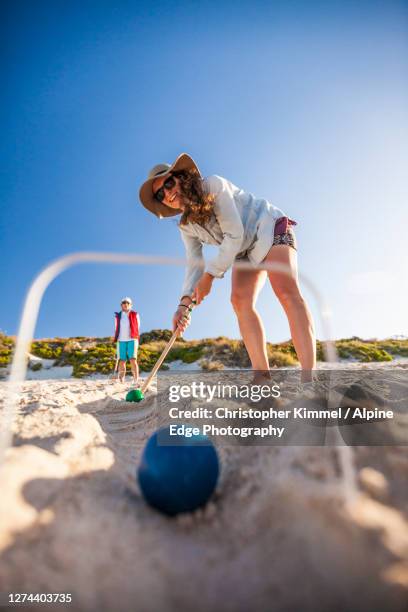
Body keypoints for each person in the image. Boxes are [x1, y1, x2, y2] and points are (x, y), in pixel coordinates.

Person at [139, 153, 316, 383]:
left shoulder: (213, 185)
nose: (168, 193)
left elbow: (234, 234)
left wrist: (211, 276)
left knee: (286, 292)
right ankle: (262, 378)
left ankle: (309, 379)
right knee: (240, 301)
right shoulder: (186, 227)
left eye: (169, 183)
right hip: (243, 251)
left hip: (269, 228)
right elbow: (195, 263)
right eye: (160, 194)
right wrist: (183, 304)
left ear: (181, 177)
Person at [113, 297, 140, 384]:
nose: (125, 304)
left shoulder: (135, 314)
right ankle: (121, 380)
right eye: (124, 303)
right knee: (122, 360)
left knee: (133, 359)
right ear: (121, 305)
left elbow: (138, 326)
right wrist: (117, 338)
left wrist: (133, 335)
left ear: (130, 305)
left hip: (132, 339)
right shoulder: (118, 316)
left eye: (127, 303)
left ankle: (136, 379)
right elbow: (116, 327)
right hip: (121, 340)